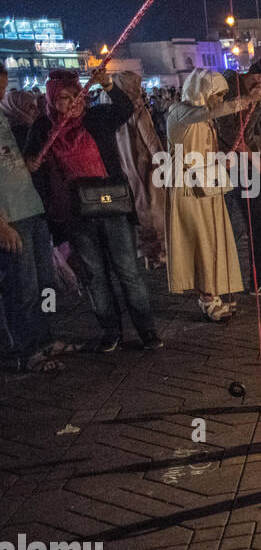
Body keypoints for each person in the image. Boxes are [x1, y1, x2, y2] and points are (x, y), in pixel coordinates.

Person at [27, 68, 161, 351]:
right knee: (94, 275)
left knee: (128, 270)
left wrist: (108, 85)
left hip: (111, 206)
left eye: (76, 96)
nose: (72, 103)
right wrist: (32, 165)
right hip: (74, 214)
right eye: (64, 98)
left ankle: (146, 330)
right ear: (52, 99)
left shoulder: (96, 118)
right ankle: (111, 331)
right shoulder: (42, 128)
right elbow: (33, 165)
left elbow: (124, 109)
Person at [165, 69, 261, 321]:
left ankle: (214, 290)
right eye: (216, 94)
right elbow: (209, 112)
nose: (219, 100)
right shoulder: (181, 112)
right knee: (200, 241)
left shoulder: (203, 117)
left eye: (222, 96)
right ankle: (206, 296)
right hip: (188, 187)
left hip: (209, 183)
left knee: (216, 239)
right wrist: (249, 100)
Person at [1, 65, 74, 371]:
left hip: (33, 209)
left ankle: (46, 338)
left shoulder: (5, 120)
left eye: (3, 88)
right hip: (11, 218)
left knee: (45, 284)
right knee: (22, 288)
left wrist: (28, 165)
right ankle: (27, 349)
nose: (1, 93)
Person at [215, 67, 261, 296]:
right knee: (244, 224)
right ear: (258, 78)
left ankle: (259, 279)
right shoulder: (228, 89)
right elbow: (231, 133)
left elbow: (252, 132)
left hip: (248, 164)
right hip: (231, 166)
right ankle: (239, 282)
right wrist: (253, 158)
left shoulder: (255, 95)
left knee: (259, 223)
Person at [111, 70, 167, 268]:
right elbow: (150, 138)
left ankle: (145, 252)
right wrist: (161, 160)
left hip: (122, 166)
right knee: (152, 208)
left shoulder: (109, 108)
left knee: (136, 209)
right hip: (143, 165)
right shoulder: (137, 109)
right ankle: (157, 252)